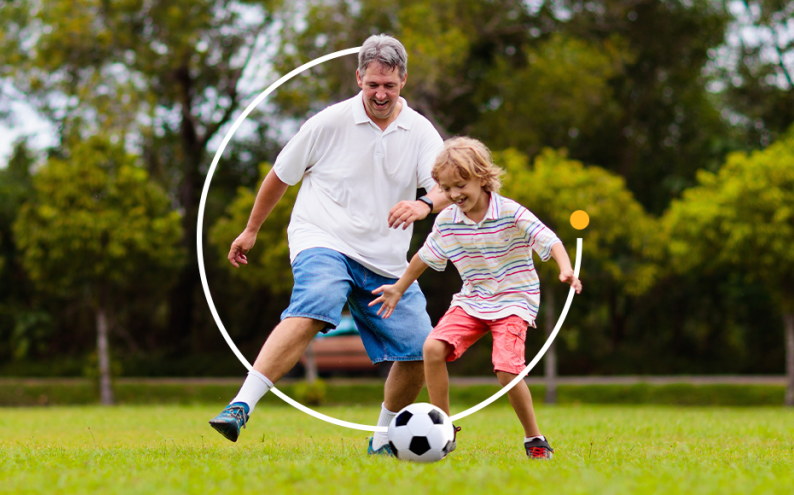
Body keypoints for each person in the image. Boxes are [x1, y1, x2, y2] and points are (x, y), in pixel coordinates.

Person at [209, 34, 451, 456]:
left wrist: (423, 203)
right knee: (316, 302)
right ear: (358, 77)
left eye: (389, 86)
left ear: (403, 81)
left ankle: (382, 439)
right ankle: (240, 406)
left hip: (386, 259)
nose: (380, 93)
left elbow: (448, 187)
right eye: (372, 83)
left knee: (420, 350)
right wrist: (251, 230)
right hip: (322, 237)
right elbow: (281, 176)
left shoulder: (420, 132)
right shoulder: (328, 122)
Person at [369, 137, 582, 460]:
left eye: (461, 185)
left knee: (506, 369)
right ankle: (443, 429)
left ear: (482, 177)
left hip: (514, 299)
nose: (455, 194)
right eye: (446, 188)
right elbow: (425, 257)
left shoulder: (510, 212)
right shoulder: (448, 220)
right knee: (432, 348)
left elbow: (549, 240)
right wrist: (399, 287)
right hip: (473, 300)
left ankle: (534, 438)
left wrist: (565, 269)